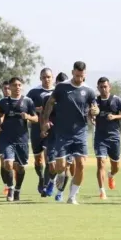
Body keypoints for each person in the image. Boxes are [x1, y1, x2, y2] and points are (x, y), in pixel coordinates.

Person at [41, 61, 99, 204]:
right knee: (61, 166)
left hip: (80, 133)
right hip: (62, 133)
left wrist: (94, 113)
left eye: (82, 76)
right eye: (77, 75)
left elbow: (95, 108)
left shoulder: (89, 91)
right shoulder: (62, 87)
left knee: (81, 165)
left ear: (85, 74)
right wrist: (44, 121)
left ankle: (72, 196)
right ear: (73, 72)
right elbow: (50, 103)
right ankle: (60, 175)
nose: (79, 78)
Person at [0, 77, 37, 201]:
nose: (17, 87)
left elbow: (36, 119)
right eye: (15, 85)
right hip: (6, 138)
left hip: (22, 139)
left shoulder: (28, 101)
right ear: (10, 87)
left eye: (20, 85)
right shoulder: (3, 102)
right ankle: (10, 188)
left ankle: (18, 189)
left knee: (20, 168)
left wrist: (28, 117)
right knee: (8, 163)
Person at [94, 77, 121, 199]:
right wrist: (91, 116)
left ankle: (111, 175)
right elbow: (89, 113)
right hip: (100, 137)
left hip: (114, 137)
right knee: (100, 163)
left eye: (105, 86)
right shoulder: (95, 101)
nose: (103, 89)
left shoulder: (116, 100)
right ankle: (102, 191)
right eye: (101, 87)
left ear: (109, 87)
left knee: (116, 167)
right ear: (98, 88)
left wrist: (114, 117)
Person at [44, 72, 76, 202]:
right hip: (53, 135)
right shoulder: (48, 98)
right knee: (52, 166)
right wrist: (45, 124)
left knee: (65, 167)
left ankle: (60, 192)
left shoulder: (72, 98)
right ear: (56, 85)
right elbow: (44, 115)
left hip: (68, 137)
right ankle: (52, 180)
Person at [26, 68, 55, 196]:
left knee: (49, 158)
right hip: (36, 129)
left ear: (52, 78)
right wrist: (38, 109)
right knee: (38, 160)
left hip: (51, 129)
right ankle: (41, 178)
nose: (46, 79)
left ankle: (45, 184)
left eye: (48, 77)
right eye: (44, 77)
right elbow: (25, 107)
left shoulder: (57, 91)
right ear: (40, 78)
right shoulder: (33, 92)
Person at [0, 80, 11, 196]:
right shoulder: (0, 102)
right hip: (3, 136)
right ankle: (6, 185)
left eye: (8, 88)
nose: (7, 90)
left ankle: (12, 186)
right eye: (5, 88)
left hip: (16, 137)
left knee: (13, 164)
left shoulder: (20, 101)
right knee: (3, 162)